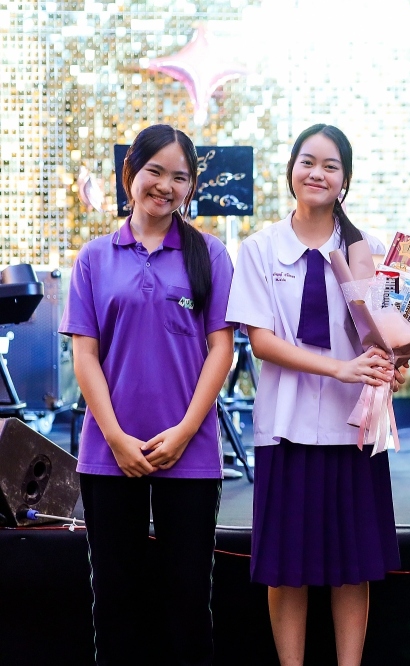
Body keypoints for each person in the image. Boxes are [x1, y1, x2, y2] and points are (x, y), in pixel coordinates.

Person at [60, 124, 235, 666]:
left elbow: (221, 351)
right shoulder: (94, 258)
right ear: (130, 174)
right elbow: (85, 355)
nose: (165, 185)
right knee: (116, 601)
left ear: (191, 187)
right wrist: (115, 437)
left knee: (189, 601)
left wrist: (184, 432)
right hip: (109, 454)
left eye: (179, 177)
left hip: (190, 452)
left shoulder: (211, 255)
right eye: (155, 171)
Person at [225, 123, 400, 666]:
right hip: (285, 426)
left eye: (330, 165)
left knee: (354, 565)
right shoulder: (259, 249)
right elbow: (261, 342)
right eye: (307, 161)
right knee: (286, 567)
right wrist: (341, 368)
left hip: (354, 429)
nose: (317, 173)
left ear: (345, 179)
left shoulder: (370, 250)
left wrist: (391, 367)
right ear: (291, 171)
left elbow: (390, 337)